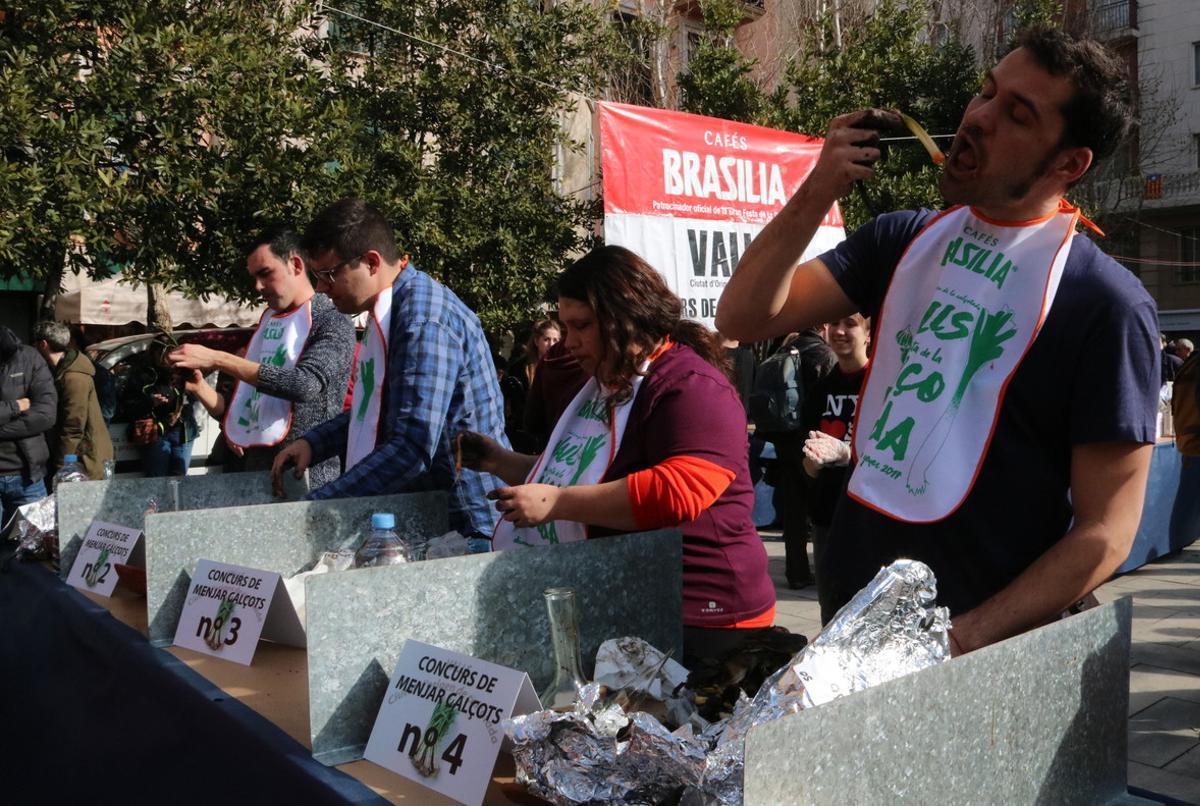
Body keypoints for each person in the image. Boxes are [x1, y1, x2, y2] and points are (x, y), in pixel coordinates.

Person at [715, 27, 1158, 652]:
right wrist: (818, 190)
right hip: (851, 617)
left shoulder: (1106, 303)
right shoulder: (901, 240)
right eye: (986, 93)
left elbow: (1108, 528)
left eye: (1016, 115)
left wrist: (955, 642)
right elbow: (741, 317)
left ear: (1069, 163)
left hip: (978, 653)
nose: (977, 118)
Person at [459, 245, 775, 665]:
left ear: (624, 317)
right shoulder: (613, 382)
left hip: (707, 616)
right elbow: (584, 477)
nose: (568, 343)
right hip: (640, 601)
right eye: (565, 327)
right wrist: (501, 462)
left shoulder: (691, 385)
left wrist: (557, 503)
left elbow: (678, 493)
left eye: (582, 326)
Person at [270, 198, 508, 540]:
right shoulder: (390, 313)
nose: (321, 288)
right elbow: (381, 411)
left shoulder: (424, 320)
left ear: (370, 262)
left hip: (468, 524)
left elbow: (412, 446)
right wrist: (316, 442)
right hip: (434, 516)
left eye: (328, 275)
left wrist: (317, 507)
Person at [168, 227, 355, 487]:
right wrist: (198, 387)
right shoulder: (269, 323)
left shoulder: (330, 317)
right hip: (258, 477)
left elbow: (304, 385)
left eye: (265, 274)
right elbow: (244, 412)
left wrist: (219, 359)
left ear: (296, 264)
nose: (257, 286)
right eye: (254, 277)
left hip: (308, 480)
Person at [753, 328, 836, 588]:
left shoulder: (782, 350)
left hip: (786, 440)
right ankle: (828, 571)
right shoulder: (824, 353)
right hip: (814, 440)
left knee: (793, 510)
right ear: (822, 328)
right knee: (825, 507)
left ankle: (797, 572)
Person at [800, 314, 871, 616]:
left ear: (868, 333)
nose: (839, 331)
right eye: (832, 323)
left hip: (870, 518)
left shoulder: (884, 384)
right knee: (831, 611)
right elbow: (805, 466)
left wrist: (845, 453)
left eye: (850, 324)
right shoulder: (819, 390)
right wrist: (814, 463)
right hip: (827, 518)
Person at [32, 321, 113, 481]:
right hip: (78, 457)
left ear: (43, 344)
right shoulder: (60, 370)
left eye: (34, 344)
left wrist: (61, 467)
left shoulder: (74, 377)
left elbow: (73, 426)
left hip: (84, 460)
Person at [0, 326, 56, 529]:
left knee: (37, 549)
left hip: (28, 478)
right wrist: (16, 406)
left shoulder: (30, 358)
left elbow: (46, 415)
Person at [501, 318, 561, 453]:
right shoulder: (520, 369)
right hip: (527, 437)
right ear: (536, 341)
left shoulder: (563, 368)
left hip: (556, 433)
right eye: (547, 339)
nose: (551, 344)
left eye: (556, 340)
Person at [522, 338, 589, 452]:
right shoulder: (594, 360)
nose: (569, 342)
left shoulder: (550, 357)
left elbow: (533, 420)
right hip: (585, 451)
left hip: (552, 448)